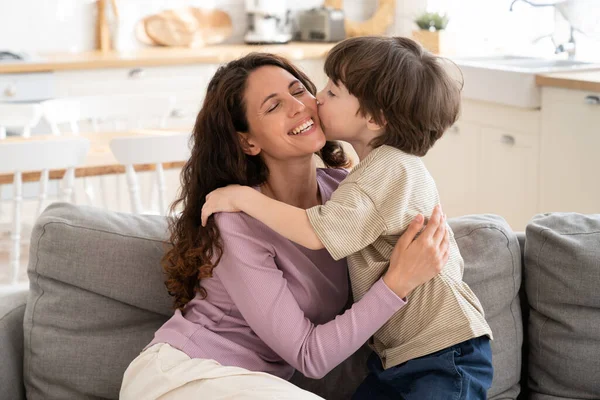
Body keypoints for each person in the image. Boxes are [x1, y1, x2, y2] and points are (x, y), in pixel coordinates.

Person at [119, 52, 449, 400]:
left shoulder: (346, 195)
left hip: (257, 386)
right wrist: (397, 283)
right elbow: (310, 355)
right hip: (185, 376)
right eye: (273, 106)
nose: (299, 107)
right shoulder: (235, 220)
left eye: (299, 90)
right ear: (248, 141)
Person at [201, 37, 494, 399]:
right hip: (399, 358)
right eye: (276, 104)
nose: (316, 98)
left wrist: (243, 197)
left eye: (332, 91)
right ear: (246, 140)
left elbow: (315, 231)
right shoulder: (367, 177)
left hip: (443, 351)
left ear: (374, 117)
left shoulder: (387, 171)